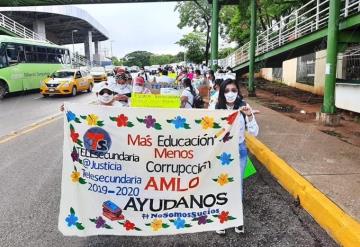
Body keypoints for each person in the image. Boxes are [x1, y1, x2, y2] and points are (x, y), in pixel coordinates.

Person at [215, 78, 259, 235]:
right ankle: (222, 218)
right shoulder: (218, 108)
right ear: (222, 93)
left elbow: (254, 132)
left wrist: (250, 116)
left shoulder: (244, 106)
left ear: (238, 92)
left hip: (240, 151)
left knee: (237, 185)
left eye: (233, 90)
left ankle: (237, 218)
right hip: (222, 152)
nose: (230, 93)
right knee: (222, 184)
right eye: (226, 91)